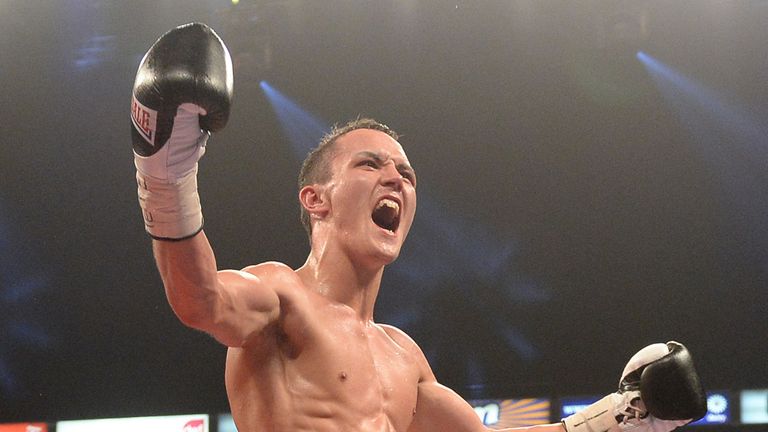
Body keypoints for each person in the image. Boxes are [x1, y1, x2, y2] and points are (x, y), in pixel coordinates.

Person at [130, 23, 707, 432]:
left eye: (406, 173)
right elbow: (198, 299)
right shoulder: (280, 296)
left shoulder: (403, 357)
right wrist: (165, 173)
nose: (396, 180)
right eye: (370, 164)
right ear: (316, 199)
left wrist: (627, 417)